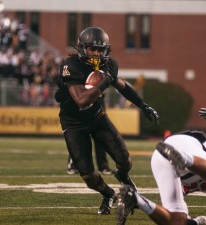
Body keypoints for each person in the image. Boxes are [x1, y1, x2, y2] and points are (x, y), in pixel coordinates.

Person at [55, 26, 159, 215]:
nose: (95, 53)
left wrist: (143, 105)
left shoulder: (109, 65)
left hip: (96, 117)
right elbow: (81, 101)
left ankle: (122, 176)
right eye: (91, 49)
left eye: (99, 49)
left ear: (106, 50)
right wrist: (104, 81)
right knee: (87, 175)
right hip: (73, 124)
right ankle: (108, 194)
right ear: (82, 48)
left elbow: (122, 86)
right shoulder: (71, 66)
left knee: (124, 160)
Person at [116, 130, 206, 225]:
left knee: (177, 221)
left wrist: (200, 221)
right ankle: (184, 158)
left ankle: (135, 198)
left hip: (160, 156)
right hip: (182, 146)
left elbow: (181, 220)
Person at [67, 94, 114, 175]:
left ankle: (103, 166)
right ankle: (73, 165)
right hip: (85, 97)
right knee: (79, 132)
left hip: (98, 98)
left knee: (101, 133)